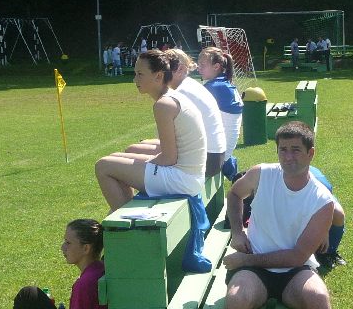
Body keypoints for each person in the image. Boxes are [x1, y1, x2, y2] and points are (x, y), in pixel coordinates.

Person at [207, 121, 340, 309]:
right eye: (283, 150)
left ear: (311, 153)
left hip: (294, 270)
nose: (288, 157)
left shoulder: (322, 201)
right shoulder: (262, 174)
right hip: (257, 270)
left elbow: (297, 256)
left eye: (296, 150)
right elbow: (234, 194)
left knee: (319, 298)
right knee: (236, 300)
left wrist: (245, 261)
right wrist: (238, 232)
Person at [95, 49, 206, 211]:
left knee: (103, 166)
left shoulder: (164, 105)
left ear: (158, 76)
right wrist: (135, 167)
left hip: (182, 180)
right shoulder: (173, 97)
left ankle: (125, 221)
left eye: (140, 74)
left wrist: (141, 166)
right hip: (190, 177)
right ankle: (126, 213)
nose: (135, 79)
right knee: (119, 158)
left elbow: (169, 158)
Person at [167, 48, 226, 178]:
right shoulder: (189, 85)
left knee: (137, 158)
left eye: (164, 69)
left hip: (207, 160)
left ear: (180, 69)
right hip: (216, 156)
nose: (160, 74)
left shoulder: (181, 93)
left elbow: (173, 142)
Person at [198, 46, 243, 172]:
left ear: (216, 67)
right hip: (226, 152)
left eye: (202, 65)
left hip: (217, 155)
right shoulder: (225, 84)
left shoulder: (213, 87)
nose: (198, 68)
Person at [309, 166, 347, 269]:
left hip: (319, 196)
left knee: (338, 214)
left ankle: (328, 252)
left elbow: (327, 205)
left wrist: (325, 231)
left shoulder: (321, 186)